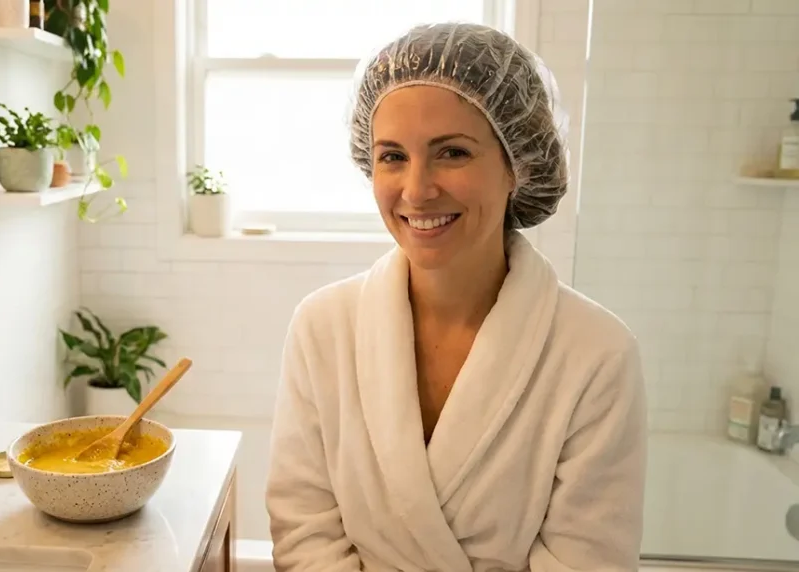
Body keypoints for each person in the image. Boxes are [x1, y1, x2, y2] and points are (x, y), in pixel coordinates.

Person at [265, 21, 647, 572]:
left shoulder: (597, 354)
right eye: (392, 156)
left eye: (452, 153)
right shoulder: (322, 326)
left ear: (518, 165)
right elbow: (304, 531)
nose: (417, 190)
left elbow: (586, 560)